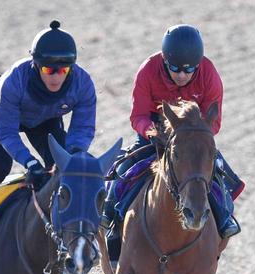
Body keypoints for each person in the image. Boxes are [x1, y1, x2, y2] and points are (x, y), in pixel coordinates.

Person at [103, 24, 244, 242]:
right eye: (174, 68)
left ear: (198, 66)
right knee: (125, 167)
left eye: (189, 70)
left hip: (192, 133)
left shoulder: (209, 74)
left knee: (217, 169)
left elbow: (213, 122)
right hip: (155, 129)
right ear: (164, 61)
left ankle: (224, 218)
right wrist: (152, 132)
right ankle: (111, 215)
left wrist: (193, 135)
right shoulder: (147, 70)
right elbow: (137, 115)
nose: (181, 75)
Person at [0, 20, 96, 219]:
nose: (55, 77)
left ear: (71, 68)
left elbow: (83, 129)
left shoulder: (84, 83)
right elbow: (6, 132)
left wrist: (74, 153)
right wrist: (29, 163)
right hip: (5, 112)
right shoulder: (14, 82)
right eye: (48, 70)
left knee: (62, 165)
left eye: (63, 70)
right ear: (36, 65)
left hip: (46, 117)